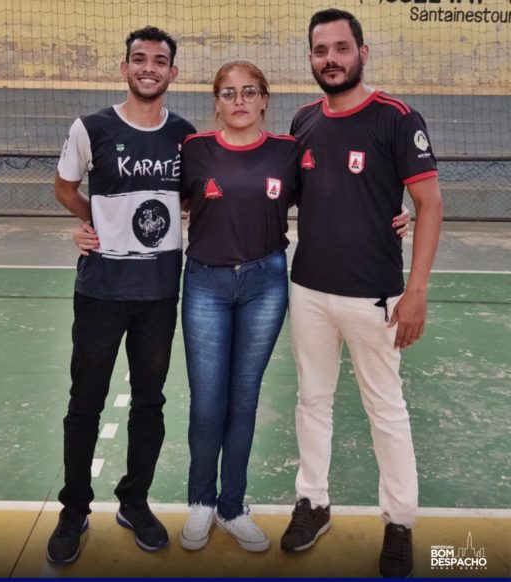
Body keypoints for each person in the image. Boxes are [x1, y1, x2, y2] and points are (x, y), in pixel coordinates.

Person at [175, 61, 410, 554]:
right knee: (208, 401)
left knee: (244, 398)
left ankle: (232, 506)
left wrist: (395, 208)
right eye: (228, 93)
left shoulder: (287, 150)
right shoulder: (193, 149)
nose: (239, 101)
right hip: (205, 285)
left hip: (265, 284)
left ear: (264, 99)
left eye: (250, 92)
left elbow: (332, 193)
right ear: (216, 102)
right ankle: (201, 500)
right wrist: (95, 226)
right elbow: (153, 200)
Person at [279, 9, 443, 579]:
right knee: (312, 400)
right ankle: (313, 501)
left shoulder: (396, 117)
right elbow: (286, 193)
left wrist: (416, 291)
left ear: (362, 53)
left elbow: (429, 204)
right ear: (311, 58)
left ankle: (399, 522)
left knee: (385, 409)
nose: (331, 59)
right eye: (321, 50)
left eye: (341, 48)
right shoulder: (302, 120)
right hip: (309, 290)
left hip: (376, 294)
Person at [46, 26, 195, 564]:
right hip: (101, 293)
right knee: (84, 403)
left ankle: (134, 501)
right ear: (125, 67)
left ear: (173, 72)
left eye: (159, 60)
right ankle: (73, 510)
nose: (149, 67)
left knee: (149, 403)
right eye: (139, 58)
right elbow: (64, 187)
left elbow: (195, 200)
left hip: (158, 293)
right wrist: (93, 222)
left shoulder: (184, 136)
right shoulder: (91, 128)